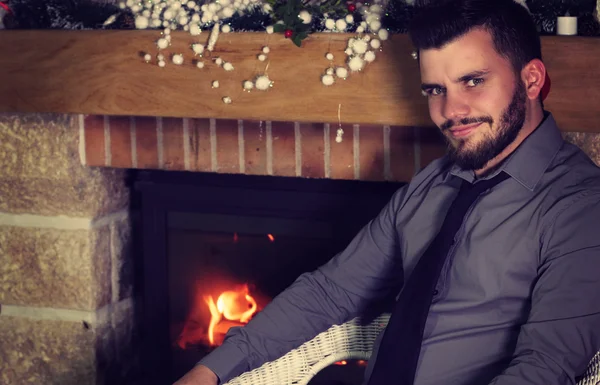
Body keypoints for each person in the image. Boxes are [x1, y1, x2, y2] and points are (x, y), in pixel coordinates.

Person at [174, 0, 600, 384]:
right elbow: (331, 291)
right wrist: (209, 370)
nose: (450, 111)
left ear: (531, 79)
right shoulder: (432, 184)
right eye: (436, 90)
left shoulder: (579, 205)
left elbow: (545, 367)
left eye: (472, 81)